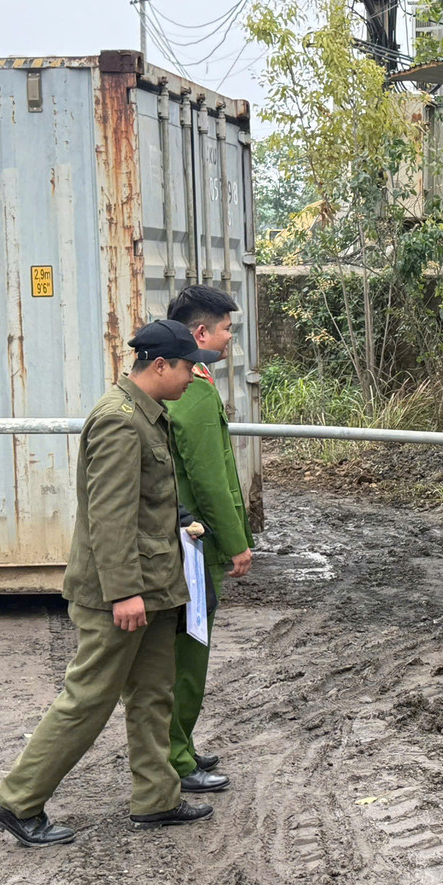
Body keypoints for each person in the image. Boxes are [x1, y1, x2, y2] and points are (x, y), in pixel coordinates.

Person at [0, 321, 220, 846]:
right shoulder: (119, 421)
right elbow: (109, 517)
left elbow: (146, 508)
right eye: (188, 367)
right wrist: (123, 592)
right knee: (88, 698)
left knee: (153, 694)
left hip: (156, 587)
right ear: (160, 366)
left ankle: (156, 798)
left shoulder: (147, 415)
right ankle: (16, 800)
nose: (195, 376)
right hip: (123, 592)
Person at [165, 285, 255, 794]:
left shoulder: (194, 385)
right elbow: (209, 479)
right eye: (225, 331)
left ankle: (180, 742)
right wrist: (236, 541)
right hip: (194, 546)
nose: (228, 342)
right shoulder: (193, 393)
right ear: (200, 333)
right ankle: (176, 756)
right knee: (189, 653)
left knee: (186, 650)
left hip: (191, 542)